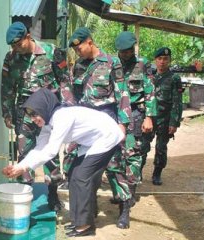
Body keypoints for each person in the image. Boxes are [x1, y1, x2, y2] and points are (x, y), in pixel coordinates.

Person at [2, 88, 124, 237]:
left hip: (107, 136)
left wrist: (24, 167)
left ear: (44, 107)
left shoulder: (62, 117)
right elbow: (40, 148)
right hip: (92, 141)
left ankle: (85, 225)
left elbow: (51, 151)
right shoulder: (47, 123)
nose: (33, 118)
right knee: (74, 175)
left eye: (35, 113)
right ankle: (80, 220)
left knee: (81, 177)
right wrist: (19, 166)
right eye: (30, 115)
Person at [1, 21, 74, 211]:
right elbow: (7, 87)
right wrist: (7, 112)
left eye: (19, 44)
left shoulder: (52, 52)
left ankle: (52, 193)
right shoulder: (11, 58)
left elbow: (65, 80)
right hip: (24, 112)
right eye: (13, 46)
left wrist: (68, 106)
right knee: (24, 151)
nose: (16, 49)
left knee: (49, 152)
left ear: (27, 37)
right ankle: (25, 192)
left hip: (48, 112)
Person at [67, 27, 133, 228]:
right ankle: (90, 207)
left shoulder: (112, 62)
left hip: (107, 117)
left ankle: (124, 209)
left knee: (115, 165)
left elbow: (123, 94)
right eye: (75, 50)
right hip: (86, 121)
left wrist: (122, 125)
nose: (78, 53)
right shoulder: (78, 66)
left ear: (89, 41)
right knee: (84, 166)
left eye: (80, 48)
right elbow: (75, 95)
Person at [108, 31, 157, 228]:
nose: (125, 55)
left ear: (133, 49)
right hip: (115, 116)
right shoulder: (112, 65)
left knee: (133, 158)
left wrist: (149, 117)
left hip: (136, 115)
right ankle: (120, 194)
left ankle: (127, 203)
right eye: (122, 52)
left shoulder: (142, 64)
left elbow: (150, 90)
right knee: (114, 159)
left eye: (128, 51)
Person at [141, 47, 183, 185]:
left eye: (165, 59)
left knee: (161, 148)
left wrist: (174, 122)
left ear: (169, 60)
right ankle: (137, 173)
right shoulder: (149, 76)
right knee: (142, 145)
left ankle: (157, 173)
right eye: (159, 59)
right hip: (149, 118)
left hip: (165, 119)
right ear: (155, 60)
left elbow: (177, 101)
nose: (162, 62)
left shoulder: (174, 78)